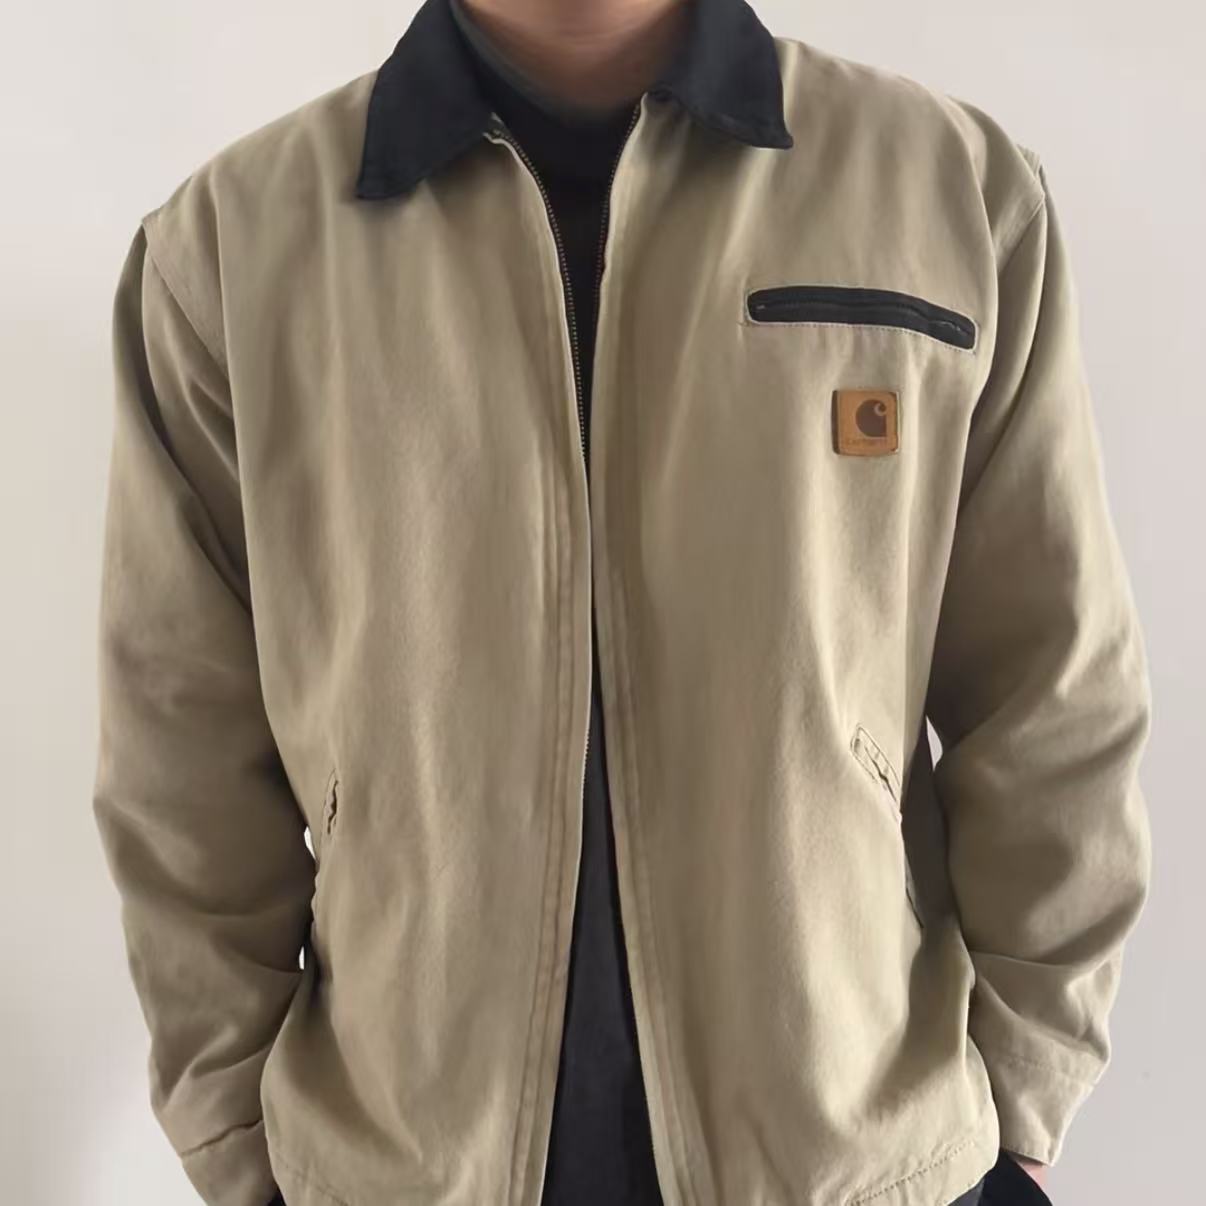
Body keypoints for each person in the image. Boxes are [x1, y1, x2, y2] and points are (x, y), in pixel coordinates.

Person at [91, 0, 1153, 1203]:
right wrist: (239, 1145)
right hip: (401, 1168)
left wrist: (1027, 1087)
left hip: (853, 1163)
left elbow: (1052, 688)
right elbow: (180, 754)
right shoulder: (233, 245)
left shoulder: (948, 191)